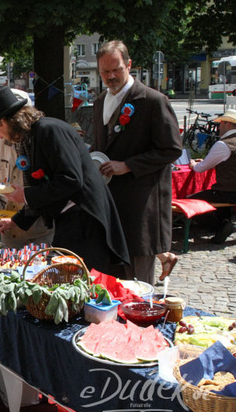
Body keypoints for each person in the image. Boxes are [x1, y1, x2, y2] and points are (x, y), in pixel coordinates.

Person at [0, 88, 129, 274]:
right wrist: (16, 221)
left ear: (5, 121)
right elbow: (44, 188)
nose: (0, 136)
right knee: (66, 276)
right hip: (69, 220)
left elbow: (71, 179)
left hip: (86, 220)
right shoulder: (31, 137)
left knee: (82, 280)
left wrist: (25, 195)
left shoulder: (49, 130)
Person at [91, 40, 182, 284]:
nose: (111, 76)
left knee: (138, 286)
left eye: (116, 69)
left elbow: (172, 148)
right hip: (111, 204)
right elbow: (101, 146)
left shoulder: (153, 101)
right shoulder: (100, 101)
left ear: (129, 65)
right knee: (112, 279)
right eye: (104, 72)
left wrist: (128, 164)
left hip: (141, 205)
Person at [0, 90, 54, 249]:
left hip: (34, 226)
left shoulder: (34, 140)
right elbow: (2, 168)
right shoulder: (2, 138)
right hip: (8, 222)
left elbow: (51, 185)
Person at [188, 109, 236, 243]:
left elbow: (200, 169)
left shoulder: (224, 144)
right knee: (219, 195)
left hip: (228, 191)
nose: (219, 127)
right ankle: (225, 224)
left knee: (190, 202)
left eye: (221, 123)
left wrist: (193, 164)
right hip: (229, 191)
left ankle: (219, 227)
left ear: (228, 124)